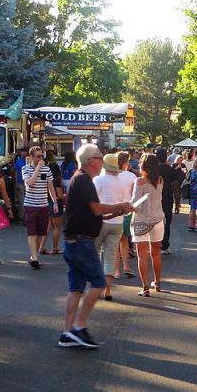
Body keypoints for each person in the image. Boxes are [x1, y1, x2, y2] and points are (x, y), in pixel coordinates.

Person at [58, 145, 134, 349]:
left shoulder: (81, 179)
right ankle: (78, 327)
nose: (103, 161)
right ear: (91, 160)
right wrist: (121, 206)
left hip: (75, 240)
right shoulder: (83, 179)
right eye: (100, 157)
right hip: (81, 241)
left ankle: (67, 332)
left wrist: (113, 213)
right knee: (99, 282)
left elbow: (93, 213)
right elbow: (96, 208)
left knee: (76, 288)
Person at [92, 154, 127, 301]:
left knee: (94, 254)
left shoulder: (98, 180)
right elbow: (124, 203)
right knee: (110, 256)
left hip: (100, 221)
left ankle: (96, 289)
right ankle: (107, 290)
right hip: (117, 222)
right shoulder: (120, 183)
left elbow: (92, 201)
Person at [131, 153, 166, 296]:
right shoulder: (160, 180)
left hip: (141, 221)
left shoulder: (140, 181)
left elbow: (135, 203)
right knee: (156, 254)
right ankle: (157, 282)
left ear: (143, 165)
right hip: (158, 219)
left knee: (142, 255)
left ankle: (145, 287)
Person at [22, 145, 56, 269]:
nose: (40, 158)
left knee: (41, 232)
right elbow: (29, 183)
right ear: (31, 157)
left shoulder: (47, 170)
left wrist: (55, 202)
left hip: (43, 205)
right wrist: (38, 169)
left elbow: (50, 186)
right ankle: (35, 257)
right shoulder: (25, 168)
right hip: (30, 205)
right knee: (32, 232)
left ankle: (33, 255)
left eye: (42, 156)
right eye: (38, 156)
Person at [114, 151, 138, 278]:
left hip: (114, 210)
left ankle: (117, 270)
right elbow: (134, 194)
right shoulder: (131, 176)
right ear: (125, 163)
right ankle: (126, 267)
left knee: (116, 242)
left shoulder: (112, 175)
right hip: (127, 210)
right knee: (124, 239)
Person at [154, 147, 179, 255]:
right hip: (168, 198)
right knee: (166, 223)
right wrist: (177, 203)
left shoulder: (152, 170)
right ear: (166, 157)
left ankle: (155, 243)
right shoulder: (171, 170)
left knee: (154, 222)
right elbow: (176, 187)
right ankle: (165, 245)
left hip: (154, 199)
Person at [44, 160, 66, 255]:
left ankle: (41, 247)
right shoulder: (56, 180)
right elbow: (60, 195)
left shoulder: (45, 178)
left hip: (47, 202)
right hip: (56, 203)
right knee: (57, 227)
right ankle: (55, 248)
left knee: (48, 227)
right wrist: (68, 195)